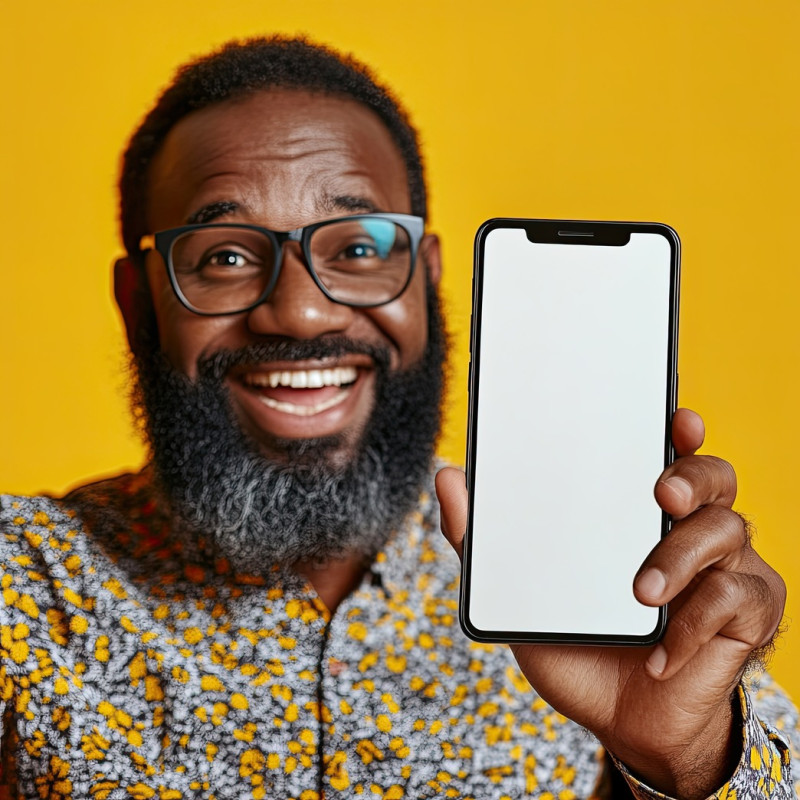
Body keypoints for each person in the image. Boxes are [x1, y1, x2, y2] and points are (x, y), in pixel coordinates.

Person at [0, 35, 796, 799]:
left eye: (357, 249)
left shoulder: (599, 589)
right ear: (140, 303)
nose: (301, 312)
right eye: (226, 256)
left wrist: (689, 761)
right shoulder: (23, 592)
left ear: (427, 281)